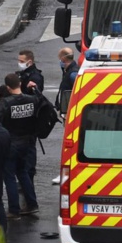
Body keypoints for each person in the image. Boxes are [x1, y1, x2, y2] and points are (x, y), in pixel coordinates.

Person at [0, 73, 39, 218]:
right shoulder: (32, 99)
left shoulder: (6, 103)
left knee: (9, 177)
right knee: (23, 173)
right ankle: (32, 204)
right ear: (20, 84)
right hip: (27, 142)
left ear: (8, 87)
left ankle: (14, 209)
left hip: (10, 143)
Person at [52, 47, 79, 185]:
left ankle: (66, 175)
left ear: (63, 59)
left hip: (70, 115)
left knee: (68, 147)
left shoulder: (72, 74)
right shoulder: (69, 71)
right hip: (68, 113)